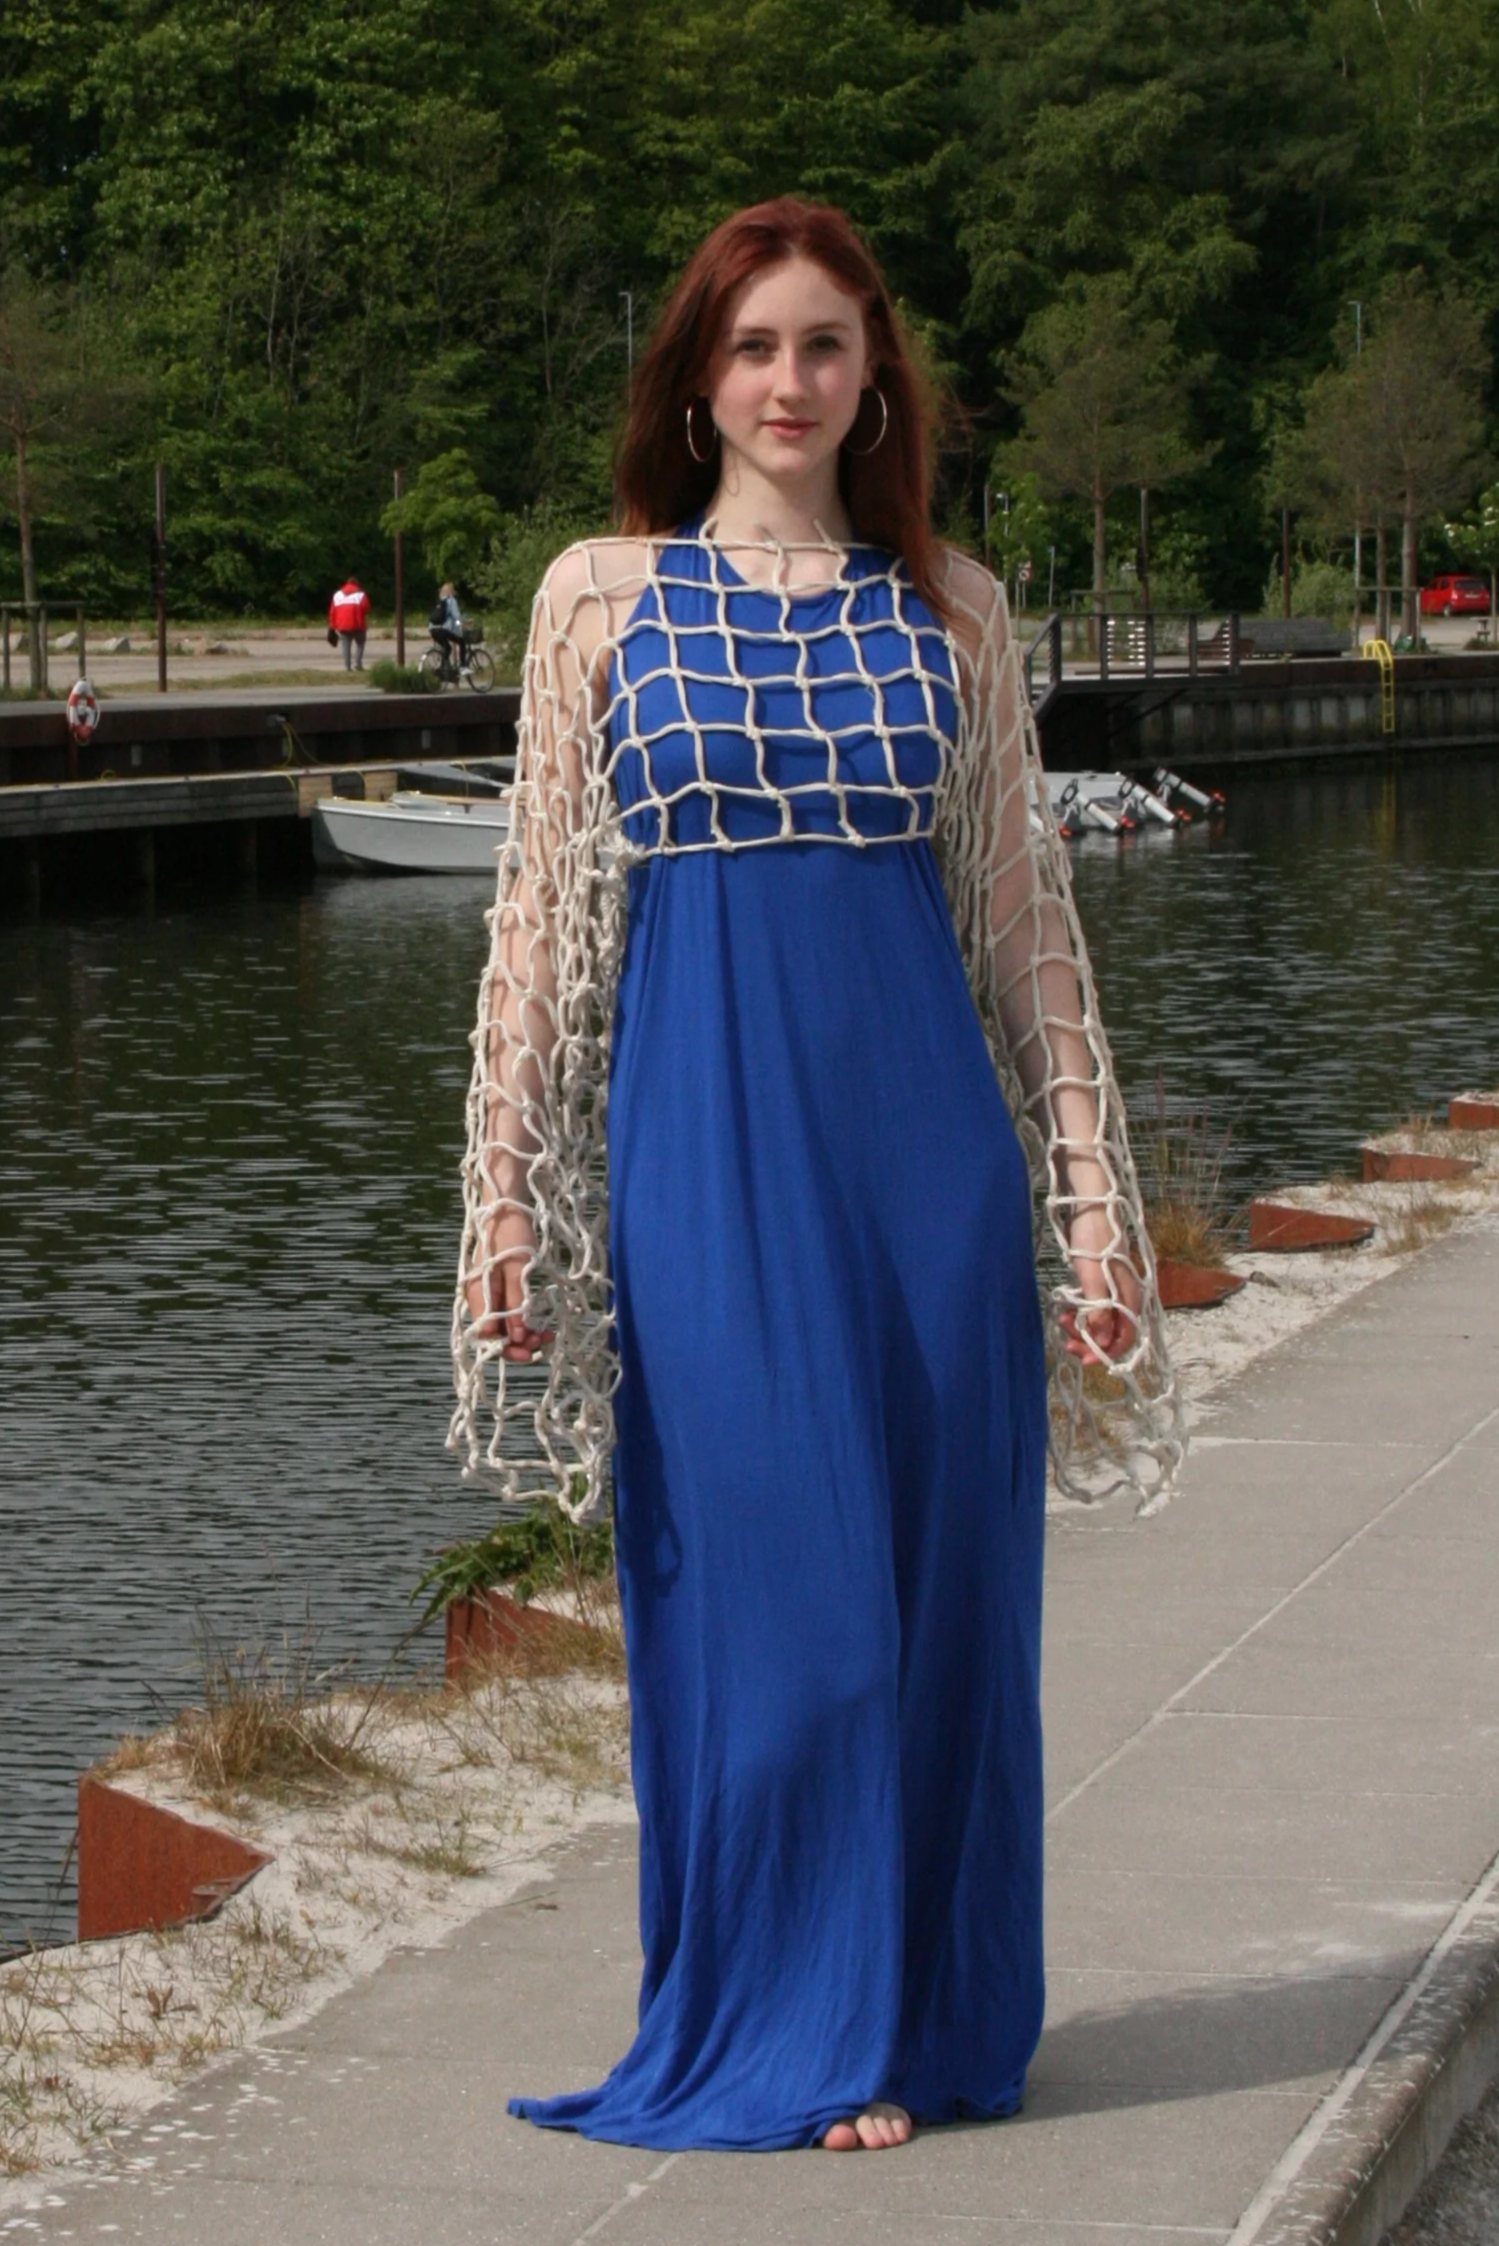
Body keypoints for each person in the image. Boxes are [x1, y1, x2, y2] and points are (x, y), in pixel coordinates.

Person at [451, 198, 1179, 2155]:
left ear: (872, 382)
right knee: (780, 1608)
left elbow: (1022, 924)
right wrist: (501, 1189)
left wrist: (1089, 1189)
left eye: (824, 347)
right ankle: (786, 2021)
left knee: (943, 1605)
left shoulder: (950, 605)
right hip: (702, 1159)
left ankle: (916, 2014)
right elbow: (534, 918)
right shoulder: (595, 598)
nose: (788, 380)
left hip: (920, 1160)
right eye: (753, 345)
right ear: (695, 379)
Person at [327, 575, 369, 670]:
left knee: (346, 646)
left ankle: (347, 667)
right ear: (357, 584)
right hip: (358, 625)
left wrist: (332, 625)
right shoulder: (360, 594)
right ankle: (358, 664)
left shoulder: (337, 595)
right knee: (360, 643)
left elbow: (332, 612)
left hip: (342, 625)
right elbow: (366, 608)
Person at [428, 581, 466, 676]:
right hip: (443, 629)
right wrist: (461, 623)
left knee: (447, 648)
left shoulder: (440, 600)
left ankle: (443, 670)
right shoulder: (451, 600)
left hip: (432, 629)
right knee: (462, 641)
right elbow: (456, 617)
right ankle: (463, 667)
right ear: (452, 592)